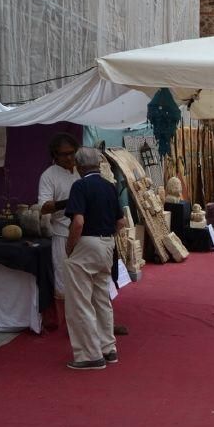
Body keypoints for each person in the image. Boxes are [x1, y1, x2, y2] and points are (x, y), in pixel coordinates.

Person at [63, 147, 125, 370]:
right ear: (98, 164)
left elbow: (78, 222)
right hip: (107, 243)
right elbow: (121, 222)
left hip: (87, 243)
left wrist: (70, 246)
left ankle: (90, 354)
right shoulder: (110, 187)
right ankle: (108, 349)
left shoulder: (80, 186)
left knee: (80, 302)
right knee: (101, 299)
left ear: (79, 167)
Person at [38, 132, 80, 301]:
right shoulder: (49, 175)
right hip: (62, 235)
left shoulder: (81, 169)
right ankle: (66, 325)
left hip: (84, 233)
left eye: (72, 152)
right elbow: (44, 207)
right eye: (64, 154)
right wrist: (70, 202)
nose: (70, 157)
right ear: (55, 154)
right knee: (63, 283)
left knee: (86, 280)